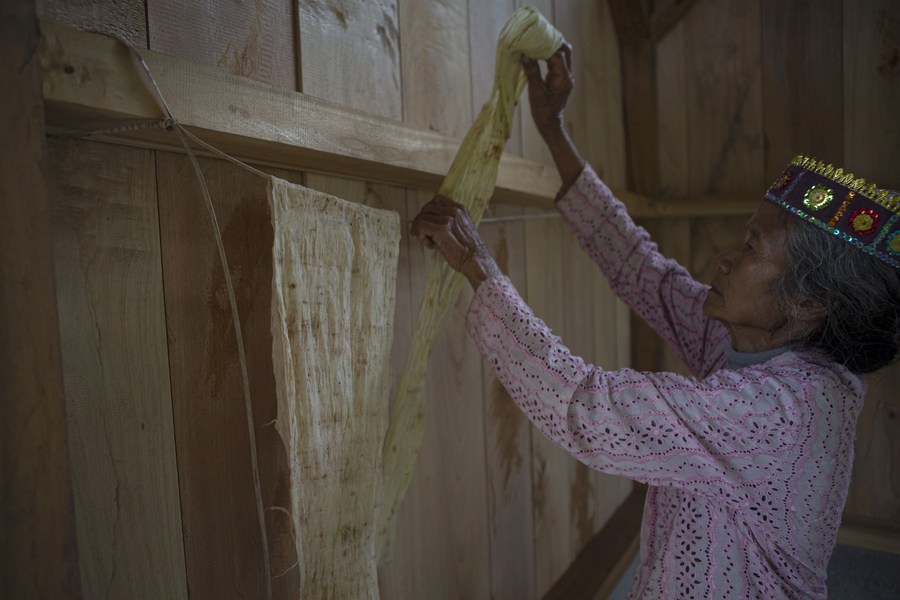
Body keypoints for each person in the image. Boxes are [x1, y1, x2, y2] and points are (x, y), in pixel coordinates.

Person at [410, 44, 900, 599]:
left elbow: (586, 408)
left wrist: (477, 266)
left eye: (750, 247)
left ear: (811, 302)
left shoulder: (779, 415)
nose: (724, 259)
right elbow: (644, 273)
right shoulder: (761, 343)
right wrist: (554, 132)